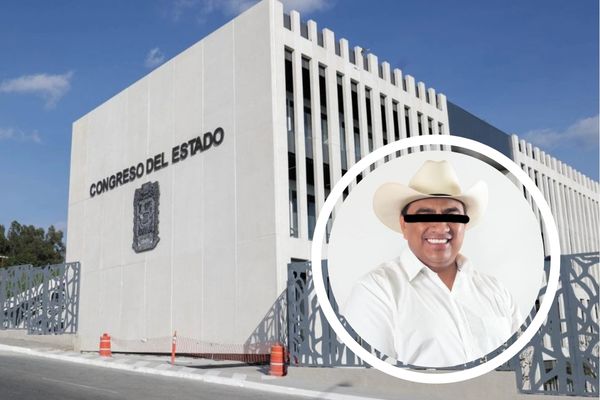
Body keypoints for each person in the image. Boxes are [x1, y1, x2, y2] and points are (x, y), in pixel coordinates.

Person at [342, 159, 522, 368]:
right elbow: (370, 377)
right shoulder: (375, 291)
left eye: (452, 216)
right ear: (404, 224)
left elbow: (523, 362)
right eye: (425, 216)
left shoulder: (498, 291)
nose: (441, 227)